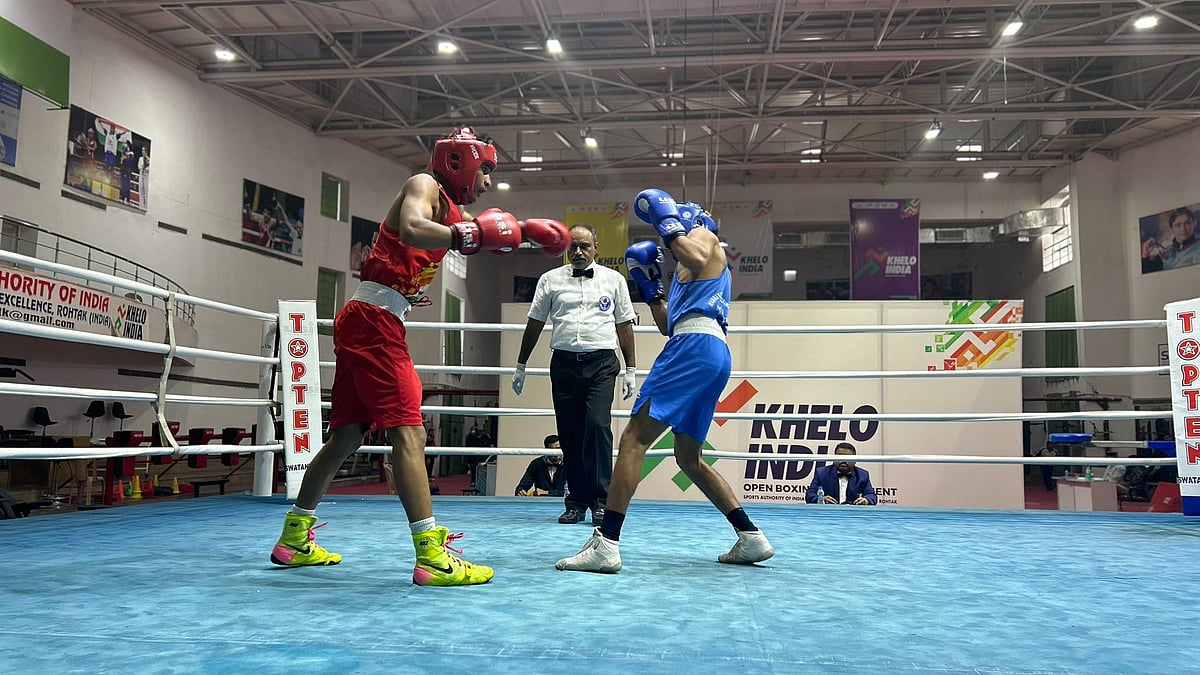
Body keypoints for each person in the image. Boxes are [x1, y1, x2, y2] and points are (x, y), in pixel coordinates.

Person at [268, 126, 568, 586]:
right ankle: (430, 555)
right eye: (485, 169)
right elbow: (411, 227)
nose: (487, 180)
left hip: (370, 317)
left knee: (347, 437)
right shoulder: (423, 186)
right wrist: (471, 235)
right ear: (460, 161)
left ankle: (293, 538)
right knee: (410, 431)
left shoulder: (453, 210)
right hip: (374, 321)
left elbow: (448, 240)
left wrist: (523, 232)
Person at [555, 190, 773, 574]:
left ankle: (606, 544)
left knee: (633, 439)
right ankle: (750, 536)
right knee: (688, 457)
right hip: (710, 352)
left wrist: (669, 225)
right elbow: (666, 325)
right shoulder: (689, 271)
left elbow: (693, 252)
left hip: (692, 350)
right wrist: (648, 285)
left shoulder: (704, 238)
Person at [512, 224, 638, 527]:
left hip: (603, 363)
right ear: (567, 249)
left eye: (585, 246)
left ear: (596, 248)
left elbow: (624, 325)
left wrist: (631, 369)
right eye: (574, 247)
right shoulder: (550, 280)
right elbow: (535, 323)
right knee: (570, 434)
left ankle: (601, 503)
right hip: (565, 364)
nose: (579, 252)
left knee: (597, 427)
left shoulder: (615, 280)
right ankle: (576, 502)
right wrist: (520, 365)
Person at [804, 442, 878, 505]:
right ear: (834, 459)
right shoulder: (821, 473)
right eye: (839, 457)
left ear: (855, 460)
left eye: (847, 458)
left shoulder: (863, 475)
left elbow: (871, 496)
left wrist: (866, 500)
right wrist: (822, 499)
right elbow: (809, 495)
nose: (843, 461)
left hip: (854, 515)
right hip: (827, 514)